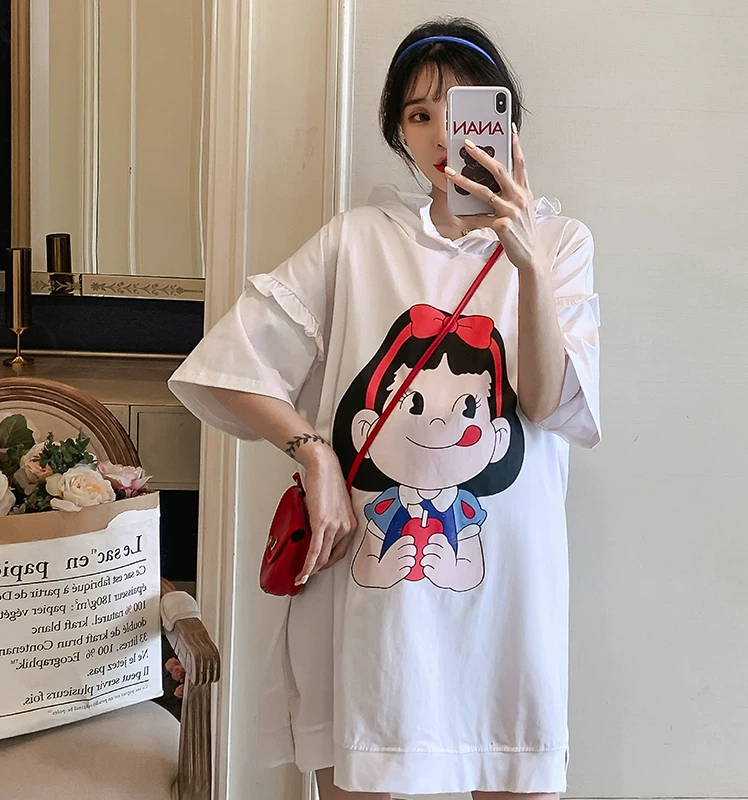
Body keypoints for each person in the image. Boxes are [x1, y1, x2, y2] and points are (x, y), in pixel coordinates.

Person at [169, 16, 601, 800]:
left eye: (461, 110)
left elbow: (543, 400)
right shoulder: (357, 240)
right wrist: (314, 455)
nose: (442, 135)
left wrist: (527, 261)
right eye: (418, 113)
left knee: (514, 768)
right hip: (372, 601)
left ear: (502, 119)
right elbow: (229, 366)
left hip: (506, 604)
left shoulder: (561, 242)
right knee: (362, 769)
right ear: (397, 131)